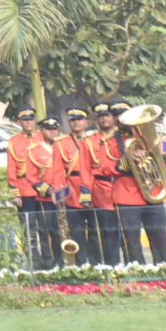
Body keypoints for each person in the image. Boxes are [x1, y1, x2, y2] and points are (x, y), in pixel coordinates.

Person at [110, 103, 166, 265]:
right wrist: (129, 160)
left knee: (159, 235)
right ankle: (137, 270)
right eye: (117, 115)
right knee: (132, 239)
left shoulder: (144, 137)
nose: (120, 118)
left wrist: (165, 175)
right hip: (128, 195)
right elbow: (105, 167)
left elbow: (157, 161)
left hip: (153, 191)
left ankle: (164, 267)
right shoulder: (109, 141)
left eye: (124, 114)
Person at [6, 108, 52, 269]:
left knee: (45, 226)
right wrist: (14, 192)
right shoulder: (14, 142)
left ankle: (49, 258)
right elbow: (11, 169)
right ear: (20, 122)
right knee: (28, 227)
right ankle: (34, 260)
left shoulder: (43, 137)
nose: (28, 122)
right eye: (25, 120)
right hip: (25, 191)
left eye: (31, 119)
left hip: (43, 190)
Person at [85, 102, 125, 265]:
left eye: (107, 115)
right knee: (106, 231)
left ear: (114, 117)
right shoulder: (90, 140)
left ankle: (132, 265)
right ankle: (110, 265)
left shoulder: (123, 137)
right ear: (96, 120)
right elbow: (86, 168)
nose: (104, 119)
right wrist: (86, 192)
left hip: (124, 187)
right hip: (102, 190)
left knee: (128, 231)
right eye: (100, 116)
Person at [58, 108, 100, 264]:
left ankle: (97, 263)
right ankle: (81, 262)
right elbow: (58, 172)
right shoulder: (62, 143)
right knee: (77, 231)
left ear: (86, 122)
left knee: (96, 229)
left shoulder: (96, 140)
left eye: (79, 119)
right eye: (73, 120)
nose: (76, 122)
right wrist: (60, 196)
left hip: (95, 188)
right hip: (73, 191)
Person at [31, 117, 68, 269]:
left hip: (65, 195)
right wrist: (48, 190)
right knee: (46, 230)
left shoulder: (64, 146)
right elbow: (31, 176)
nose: (52, 132)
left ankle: (65, 260)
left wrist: (64, 191)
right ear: (42, 131)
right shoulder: (35, 150)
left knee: (64, 230)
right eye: (48, 129)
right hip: (46, 197)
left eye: (55, 129)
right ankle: (49, 261)